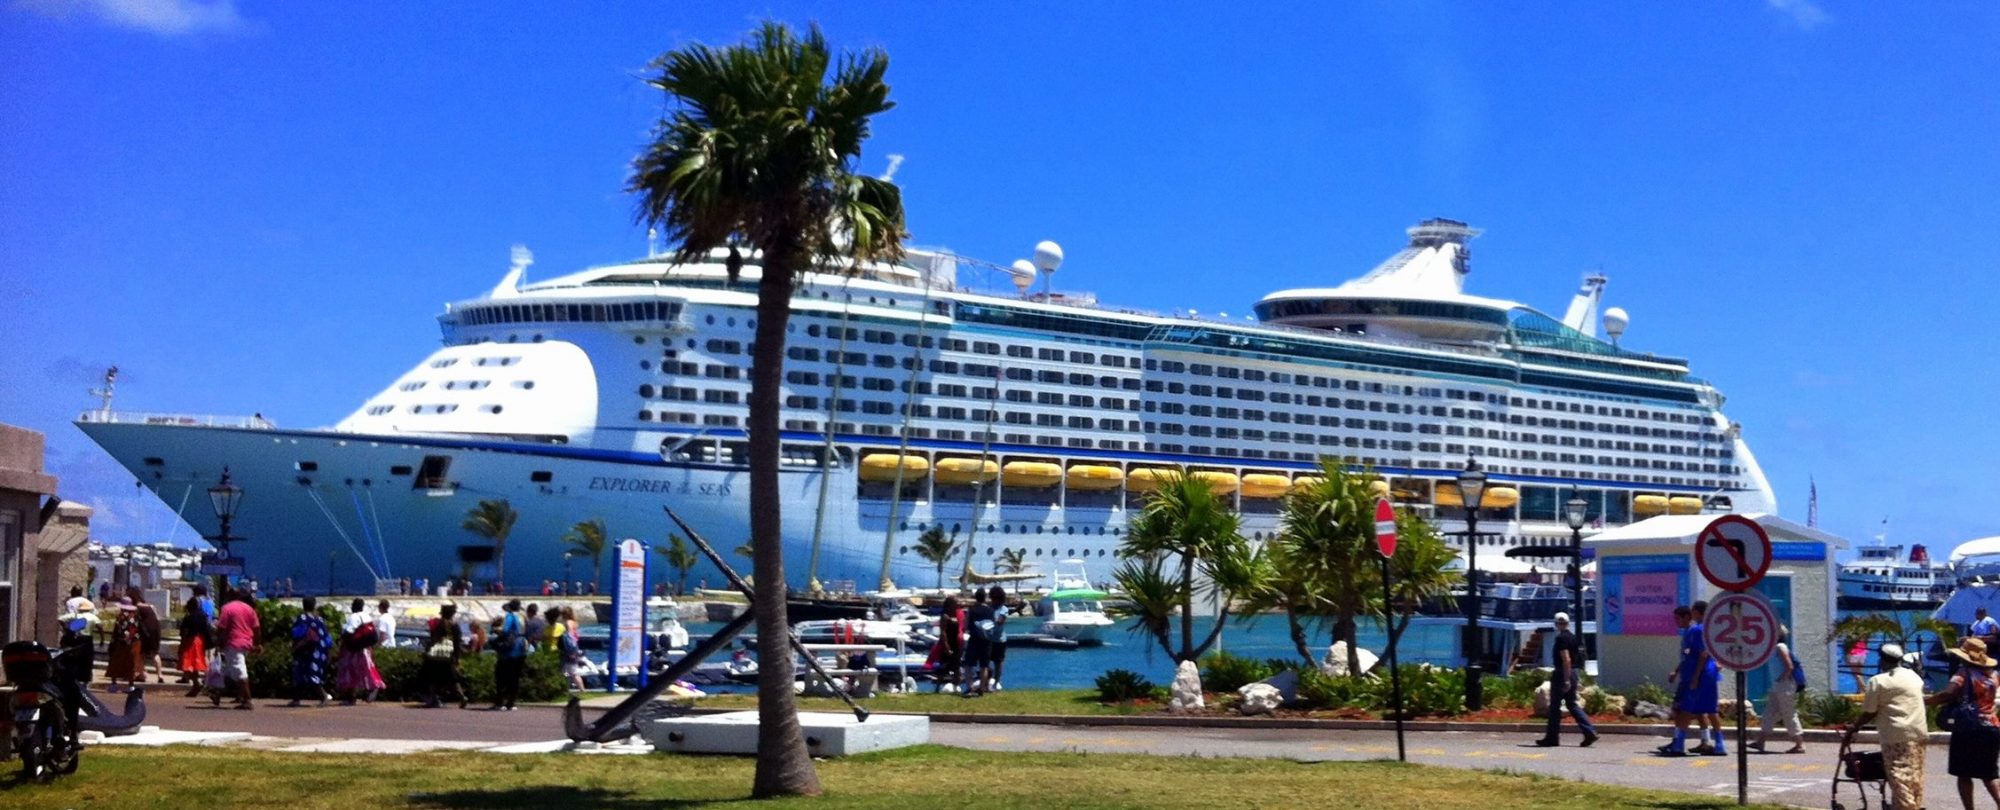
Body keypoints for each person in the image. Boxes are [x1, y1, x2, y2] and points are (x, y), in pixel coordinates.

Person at [1856, 643, 1930, 810]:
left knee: (1899, 778)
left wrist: (1854, 728)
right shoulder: (1913, 677)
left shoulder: (1878, 681)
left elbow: (1869, 712)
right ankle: (1911, 806)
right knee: (1915, 777)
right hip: (1919, 733)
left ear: (1883, 660)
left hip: (1896, 736)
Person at [1930, 638, 2000, 810]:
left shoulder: (1963, 673)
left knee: (1963, 773)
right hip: (1991, 725)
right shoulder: (1994, 675)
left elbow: (1949, 693)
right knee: (1989, 773)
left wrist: (1926, 701)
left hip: (1968, 727)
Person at [1534, 612, 1598, 747]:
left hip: (1563, 673)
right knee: (1572, 704)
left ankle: (1552, 738)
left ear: (1556, 624)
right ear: (1568, 623)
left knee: (1555, 707)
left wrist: (1566, 679)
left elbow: (1566, 659)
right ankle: (1589, 731)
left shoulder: (1561, 639)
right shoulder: (1573, 637)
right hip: (1574, 672)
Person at [1749, 624, 1806, 754]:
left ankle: (1799, 744)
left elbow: (1789, 666)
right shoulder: (1773, 648)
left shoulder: (1780, 647)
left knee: (1788, 713)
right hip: (1778, 685)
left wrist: (1782, 678)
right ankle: (1760, 741)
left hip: (1785, 684)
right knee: (1769, 713)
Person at [1688, 600, 1725, 754]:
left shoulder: (1699, 630)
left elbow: (1703, 654)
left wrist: (1696, 676)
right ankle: (1706, 741)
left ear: (1698, 612)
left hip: (1704, 672)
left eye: (1693, 610)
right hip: (1710, 671)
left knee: (1710, 709)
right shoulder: (1713, 628)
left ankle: (1719, 744)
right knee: (1700, 709)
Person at [213, 588, 260, 709]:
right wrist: (257, 643)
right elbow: (256, 628)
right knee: (230, 670)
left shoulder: (227, 608)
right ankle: (223, 694)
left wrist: (219, 643)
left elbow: (221, 628)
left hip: (234, 643)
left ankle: (247, 700)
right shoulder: (249, 609)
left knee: (239, 671)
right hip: (246, 643)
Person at [336, 598, 385, 704]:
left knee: (350, 671)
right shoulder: (367, 616)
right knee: (367, 670)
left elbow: (349, 631)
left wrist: (341, 638)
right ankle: (374, 686)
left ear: (354, 606)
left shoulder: (354, 617)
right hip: (365, 648)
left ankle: (351, 697)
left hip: (355, 650)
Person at [288, 595, 332, 707]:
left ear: (303, 605)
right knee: (308, 673)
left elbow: (296, 633)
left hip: (306, 651)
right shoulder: (320, 619)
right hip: (319, 650)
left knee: (303, 673)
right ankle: (297, 698)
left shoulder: (302, 619)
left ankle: (324, 696)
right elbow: (327, 637)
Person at [420, 603, 467, 709]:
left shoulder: (439, 624)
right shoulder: (455, 625)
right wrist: (457, 657)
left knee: (430, 677)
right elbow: (457, 643)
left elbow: (434, 639)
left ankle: (434, 698)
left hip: (436, 655)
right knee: (452, 678)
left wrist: (427, 650)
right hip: (448, 654)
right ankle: (462, 696)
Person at [491, 599, 528, 711]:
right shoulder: (523, 616)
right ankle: (511, 702)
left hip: (510, 648)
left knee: (502, 675)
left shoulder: (510, 616)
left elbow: (505, 630)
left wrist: (495, 629)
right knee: (515, 677)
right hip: (521, 646)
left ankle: (500, 702)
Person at [104, 599, 143, 692]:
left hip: (121, 644)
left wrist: (112, 643)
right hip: (134, 643)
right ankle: (131, 685)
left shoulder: (121, 617)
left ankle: (114, 684)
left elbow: (117, 631)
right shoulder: (136, 616)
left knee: (116, 663)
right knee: (131, 664)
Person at [177, 595, 213, 698]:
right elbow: (206, 630)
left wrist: (182, 643)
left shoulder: (188, 618)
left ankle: (196, 684)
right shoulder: (203, 616)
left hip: (190, 641)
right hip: (200, 641)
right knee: (196, 663)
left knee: (188, 664)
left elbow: (184, 632)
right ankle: (198, 684)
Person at [129, 587, 165, 685]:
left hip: (145, 632)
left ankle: (141, 675)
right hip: (156, 630)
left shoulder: (137, 607)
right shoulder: (151, 606)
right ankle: (160, 675)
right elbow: (157, 618)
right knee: (155, 653)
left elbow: (133, 621)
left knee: (141, 654)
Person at [962, 592, 995, 697]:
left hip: (974, 640)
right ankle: (981, 687)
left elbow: (966, 625)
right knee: (984, 666)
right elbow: (992, 625)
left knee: (968, 664)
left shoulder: (971, 610)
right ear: (985, 598)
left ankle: (970, 687)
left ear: (975, 598)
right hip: (986, 641)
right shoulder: (991, 610)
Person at [930, 596, 965, 694]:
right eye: (955, 602)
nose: (957, 604)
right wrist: (946, 645)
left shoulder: (956, 615)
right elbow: (943, 632)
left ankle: (956, 687)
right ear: (950, 604)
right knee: (944, 666)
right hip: (948, 643)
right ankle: (937, 688)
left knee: (957, 666)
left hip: (956, 643)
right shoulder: (945, 616)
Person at [985, 585, 1011, 693]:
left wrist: (991, 619)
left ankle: (997, 682)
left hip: (999, 640)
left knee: (998, 662)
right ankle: (986, 682)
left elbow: (1000, 621)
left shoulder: (1004, 609)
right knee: (985, 662)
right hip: (988, 638)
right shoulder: (989, 607)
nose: (993, 600)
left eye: (995, 598)